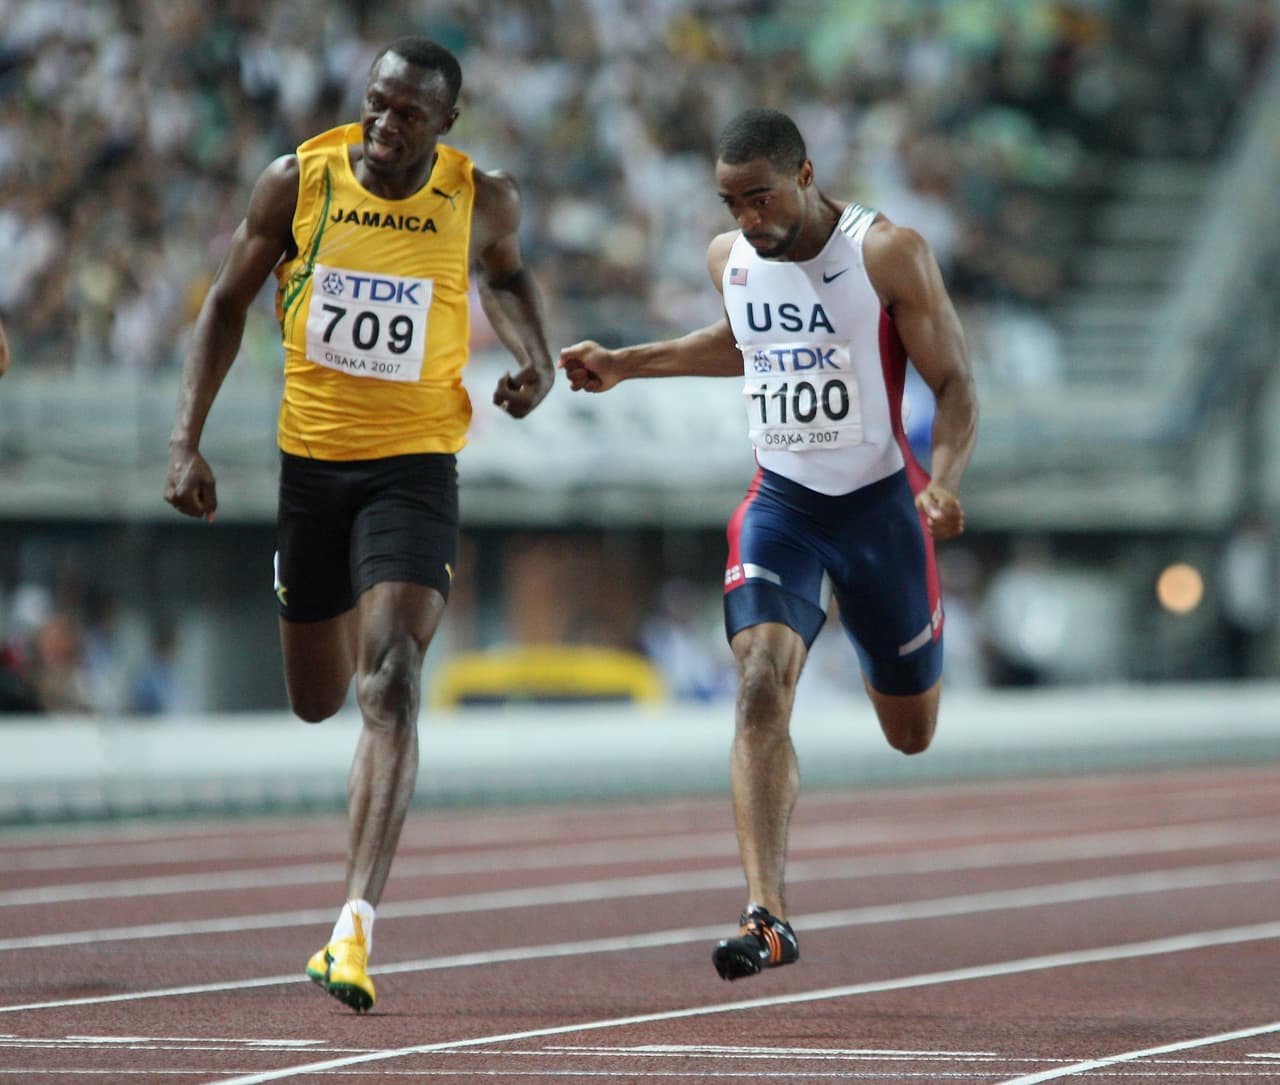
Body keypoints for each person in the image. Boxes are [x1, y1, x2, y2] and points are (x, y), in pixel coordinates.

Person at [163, 37, 554, 1012]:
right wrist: (185, 442)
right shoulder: (299, 181)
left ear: (446, 123)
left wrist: (535, 357)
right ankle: (327, 607)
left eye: (408, 113)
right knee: (317, 698)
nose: (384, 124)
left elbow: (505, 277)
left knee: (392, 681)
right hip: (312, 469)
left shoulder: (481, 197)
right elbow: (224, 305)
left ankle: (352, 927)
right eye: (375, 103)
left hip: (415, 470)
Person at [560, 108, 977, 981]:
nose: (749, 219)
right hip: (781, 505)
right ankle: (768, 913)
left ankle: (896, 665)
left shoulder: (887, 253)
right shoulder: (729, 259)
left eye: (762, 198)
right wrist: (628, 362)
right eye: (732, 203)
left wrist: (944, 479)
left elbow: (954, 382)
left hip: (882, 511)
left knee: (911, 731)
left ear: (806, 175)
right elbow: (746, 341)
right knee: (759, 683)